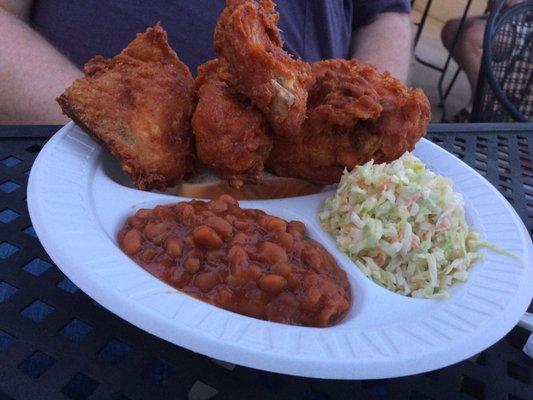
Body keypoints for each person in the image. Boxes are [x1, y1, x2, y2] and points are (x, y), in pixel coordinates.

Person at [0, 0, 413, 124]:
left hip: (311, 201)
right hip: (57, 159)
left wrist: (367, 125)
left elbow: (384, 14)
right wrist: (104, 125)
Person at [441, 0, 523, 121]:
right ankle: (488, 98)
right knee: (451, 30)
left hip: (525, 19)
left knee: (472, 37)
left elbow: (512, 3)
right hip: (504, 14)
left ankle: (483, 102)